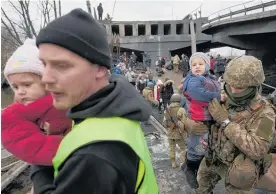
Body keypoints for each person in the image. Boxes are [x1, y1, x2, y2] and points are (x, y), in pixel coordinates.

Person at [31, 8, 158, 194]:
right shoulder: (116, 110)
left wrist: (39, 166)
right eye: (44, 64)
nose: (45, 78)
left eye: (61, 65)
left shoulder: (93, 154)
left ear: (99, 68)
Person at [197, 56, 275, 194]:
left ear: (253, 86)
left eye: (239, 87)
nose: (232, 90)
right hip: (216, 156)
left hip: (239, 168)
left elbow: (258, 150)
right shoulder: (223, 96)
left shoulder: (266, 113)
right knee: (202, 183)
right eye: (229, 84)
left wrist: (226, 122)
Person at [1, 39, 71, 166]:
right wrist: (75, 149)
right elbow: (34, 148)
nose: (20, 92)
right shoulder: (13, 115)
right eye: (15, 87)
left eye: (26, 85)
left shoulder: (66, 100)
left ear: (47, 83)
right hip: (61, 163)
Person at [181, 52, 221, 189]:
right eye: (194, 65)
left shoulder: (210, 78)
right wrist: (218, 96)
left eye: (200, 64)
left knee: (203, 146)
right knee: (197, 147)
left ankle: (194, 166)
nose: (197, 67)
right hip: (198, 119)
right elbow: (199, 95)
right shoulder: (192, 80)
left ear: (207, 66)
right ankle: (190, 168)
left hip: (209, 119)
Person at [163, 93, 186, 168]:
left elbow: (164, 122)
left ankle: (173, 162)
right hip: (179, 132)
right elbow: (184, 122)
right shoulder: (181, 109)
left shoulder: (167, 109)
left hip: (170, 132)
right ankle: (182, 162)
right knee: (182, 148)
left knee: (172, 147)